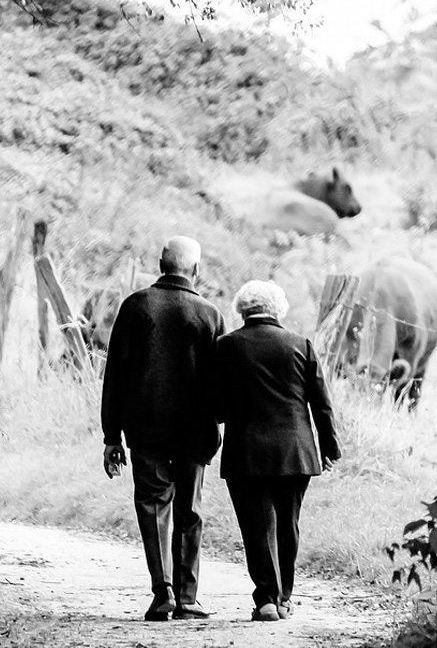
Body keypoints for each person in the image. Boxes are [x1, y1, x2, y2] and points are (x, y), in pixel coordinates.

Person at [100, 236, 226, 622]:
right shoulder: (209, 314)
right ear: (197, 271)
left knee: (153, 506)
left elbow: (115, 376)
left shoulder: (136, 306)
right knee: (189, 509)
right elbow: (220, 381)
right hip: (194, 430)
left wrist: (111, 436)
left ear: (160, 264)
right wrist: (217, 422)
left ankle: (163, 592)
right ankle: (188, 598)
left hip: (145, 427)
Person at [214, 280, 340, 622]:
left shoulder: (226, 346)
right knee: (288, 524)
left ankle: (266, 598)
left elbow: (218, 405)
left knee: (257, 526)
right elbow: (322, 404)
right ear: (278, 309)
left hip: (246, 452)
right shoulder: (301, 345)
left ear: (242, 309)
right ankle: (284, 597)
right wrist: (329, 447)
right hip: (296, 451)